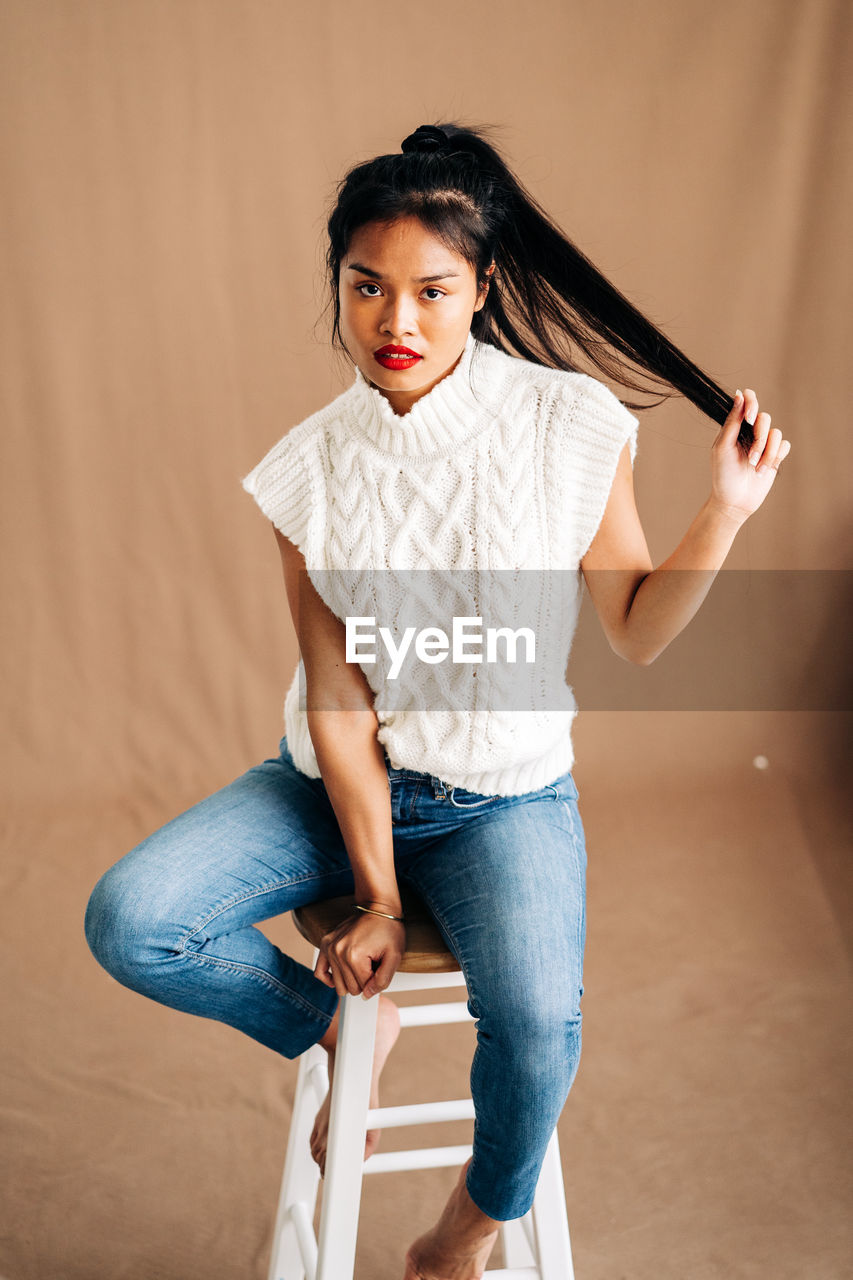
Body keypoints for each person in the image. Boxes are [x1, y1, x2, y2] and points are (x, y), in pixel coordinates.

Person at [84, 121, 792, 1279]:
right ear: (339, 287)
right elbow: (336, 694)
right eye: (367, 287)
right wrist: (371, 893)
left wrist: (726, 510)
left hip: (500, 801)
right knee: (132, 916)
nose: (395, 322)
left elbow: (637, 630)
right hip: (338, 786)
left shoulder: (568, 426)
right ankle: (329, 1035)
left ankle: (463, 1232)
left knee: (535, 1027)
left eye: (430, 289)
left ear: (482, 288)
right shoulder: (304, 469)